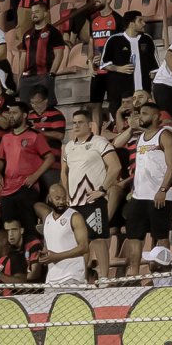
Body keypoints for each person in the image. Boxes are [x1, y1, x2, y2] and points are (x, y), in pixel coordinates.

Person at [62, 110, 120, 279]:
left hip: (93, 199)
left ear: (90, 125)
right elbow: (64, 173)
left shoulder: (99, 142)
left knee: (98, 239)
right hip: (74, 202)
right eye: (74, 123)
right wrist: (66, 194)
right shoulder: (68, 146)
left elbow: (115, 166)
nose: (76, 126)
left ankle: (104, 278)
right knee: (80, 242)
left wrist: (102, 190)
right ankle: (80, 277)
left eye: (80, 122)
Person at [124, 103, 172, 276]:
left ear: (156, 117)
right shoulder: (140, 137)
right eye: (140, 113)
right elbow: (117, 143)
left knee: (161, 235)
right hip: (139, 196)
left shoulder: (165, 136)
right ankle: (133, 274)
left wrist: (163, 189)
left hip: (159, 195)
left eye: (145, 113)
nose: (140, 116)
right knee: (134, 236)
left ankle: (164, 273)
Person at [0, 102, 56, 234]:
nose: (11, 116)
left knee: (28, 226)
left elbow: (50, 158)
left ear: (24, 115)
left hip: (27, 186)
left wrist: (35, 176)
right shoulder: (5, 138)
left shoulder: (35, 136)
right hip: (7, 188)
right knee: (9, 227)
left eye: (14, 113)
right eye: (9, 113)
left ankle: (32, 246)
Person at [101, 10, 159, 107]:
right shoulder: (114, 40)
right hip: (120, 93)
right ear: (131, 24)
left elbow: (154, 66)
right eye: (140, 21)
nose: (144, 23)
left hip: (143, 93)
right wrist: (118, 68)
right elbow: (104, 63)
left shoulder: (147, 39)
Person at [40, 182, 91, 287]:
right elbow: (47, 247)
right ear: (49, 198)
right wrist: (44, 257)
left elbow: (84, 247)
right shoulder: (47, 219)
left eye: (64, 198)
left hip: (72, 277)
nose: (61, 202)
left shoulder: (75, 217)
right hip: (51, 280)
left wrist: (57, 257)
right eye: (57, 198)